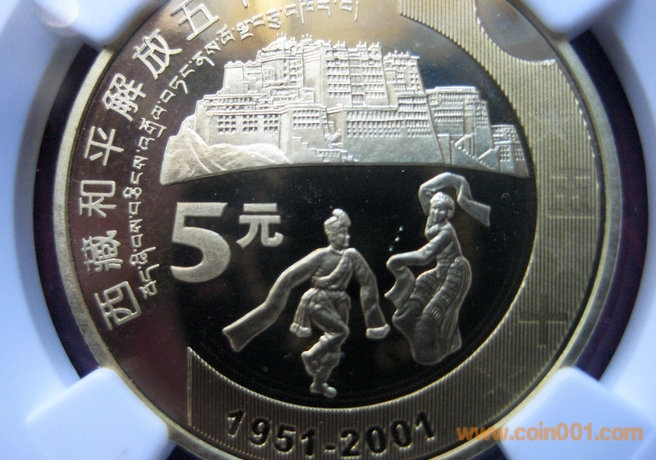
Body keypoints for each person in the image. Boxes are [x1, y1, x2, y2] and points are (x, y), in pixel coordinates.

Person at [223, 209, 390, 398]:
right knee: (340, 332)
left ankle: (319, 384)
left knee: (334, 352)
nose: (346, 236)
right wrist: (272, 305)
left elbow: (368, 283)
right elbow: (289, 277)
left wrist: (374, 321)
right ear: (331, 235)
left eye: (346, 232)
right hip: (319, 301)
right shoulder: (320, 256)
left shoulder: (352, 256)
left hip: (341, 305)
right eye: (342, 233)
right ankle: (310, 355)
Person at [385, 172, 490, 365]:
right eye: (435, 208)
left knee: (430, 316)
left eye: (443, 210)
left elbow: (425, 255)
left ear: (448, 214)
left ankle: (439, 347)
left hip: (455, 272)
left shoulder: (445, 231)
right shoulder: (431, 218)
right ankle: (424, 340)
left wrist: (397, 260)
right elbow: (424, 190)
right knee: (406, 314)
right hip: (439, 271)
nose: (437, 213)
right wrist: (455, 180)